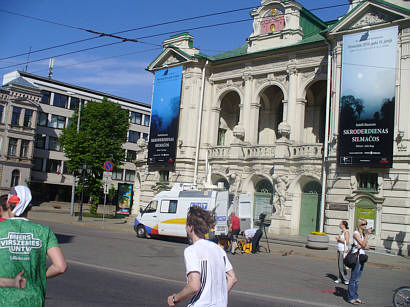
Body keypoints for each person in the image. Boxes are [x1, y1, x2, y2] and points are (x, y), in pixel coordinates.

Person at [0, 186, 67, 307]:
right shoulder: (43, 232)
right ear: (30, 207)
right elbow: (60, 267)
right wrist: (40, 274)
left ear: (8, 204)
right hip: (33, 300)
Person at [167, 206, 237, 306]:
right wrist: (220, 298)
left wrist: (174, 299)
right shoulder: (218, 249)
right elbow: (232, 278)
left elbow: (194, 286)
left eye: (186, 225)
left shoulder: (191, 250)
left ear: (190, 227)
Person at [347, 218, 372, 305]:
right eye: (363, 224)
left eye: (366, 224)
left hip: (361, 257)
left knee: (357, 280)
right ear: (359, 225)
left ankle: (355, 296)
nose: (365, 226)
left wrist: (362, 245)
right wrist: (366, 237)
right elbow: (363, 244)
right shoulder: (356, 233)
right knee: (353, 278)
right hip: (356, 257)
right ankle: (350, 297)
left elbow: (367, 246)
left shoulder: (362, 234)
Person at [335, 220, 350, 285]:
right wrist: (338, 240)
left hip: (343, 251)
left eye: (340, 224)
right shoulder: (342, 232)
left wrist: (339, 239)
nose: (339, 225)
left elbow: (347, 241)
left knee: (342, 266)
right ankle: (340, 278)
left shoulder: (346, 232)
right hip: (339, 249)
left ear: (343, 225)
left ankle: (346, 279)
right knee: (339, 265)